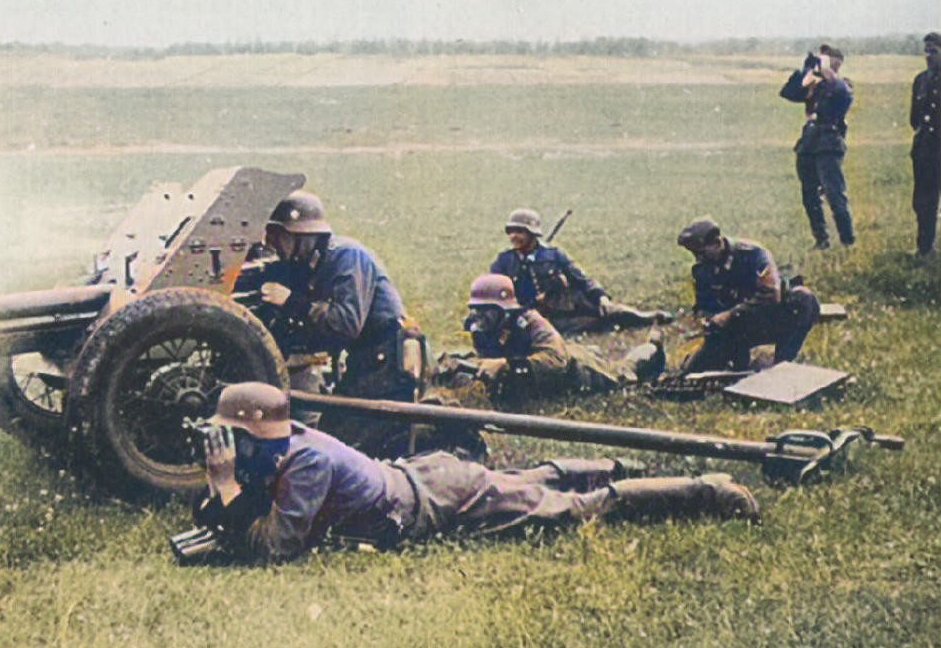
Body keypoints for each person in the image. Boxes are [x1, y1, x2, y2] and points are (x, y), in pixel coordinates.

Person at [190, 382, 759, 564]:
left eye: (230, 436)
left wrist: (225, 490)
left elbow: (277, 548)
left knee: (571, 508)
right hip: (425, 477)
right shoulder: (284, 446)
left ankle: (703, 491)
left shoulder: (304, 461)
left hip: (432, 501)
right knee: (527, 481)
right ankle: (608, 462)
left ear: (251, 435)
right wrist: (226, 491)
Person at [247, 190, 422, 452]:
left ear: (301, 236)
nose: (271, 242)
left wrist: (291, 301)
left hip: (388, 361)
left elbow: (346, 324)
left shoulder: (347, 257)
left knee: (354, 442)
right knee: (336, 432)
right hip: (367, 359)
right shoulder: (309, 264)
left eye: (277, 235)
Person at [432, 274, 664, 406]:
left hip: (576, 372)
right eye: (476, 310)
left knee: (622, 375)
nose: (479, 317)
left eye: (487, 311)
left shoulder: (529, 321)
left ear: (505, 310)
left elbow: (556, 361)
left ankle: (651, 348)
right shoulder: (481, 328)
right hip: (537, 378)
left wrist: (506, 365)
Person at [488, 208, 671, 333]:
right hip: (535, 317)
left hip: (566, 307)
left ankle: (647, 318)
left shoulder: (554, 256)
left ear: (532, 234)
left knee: (609, 312)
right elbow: (494, 292)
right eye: (511, 231)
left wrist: (601, 297)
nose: (513, 237)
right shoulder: (504, 261)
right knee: (587, 325)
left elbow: (582, 280)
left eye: (519, 231)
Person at [677, 218, 820, 373]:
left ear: (717, 243)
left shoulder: (752, 255)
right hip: (737, 327)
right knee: (694, 371)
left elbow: (771, 295)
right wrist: (706, 320)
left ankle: (782, 363)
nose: (698, 258)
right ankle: (740, 365)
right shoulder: (702, 270)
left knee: (803, 299)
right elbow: (704, 307)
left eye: (701, 253)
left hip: (770, 317)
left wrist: (729, 315)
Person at [780, 44, 856, 249]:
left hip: (829, 143)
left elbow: (843, 94)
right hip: (809, 143)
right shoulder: (813, 85)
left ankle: (847, 240)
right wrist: (806, 70)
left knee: (834, 194)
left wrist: (825, 71)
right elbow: (788, 93)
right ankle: (821, 239)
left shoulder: (841, 85)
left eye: (827, 59)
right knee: (809, 195)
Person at [911, 32, 941, 259]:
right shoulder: (920, 80)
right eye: (926, 51)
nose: (928, 56)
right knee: (924, 201)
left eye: (934, 51)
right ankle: (925, 248)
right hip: (925, 150)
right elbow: (914, 119)